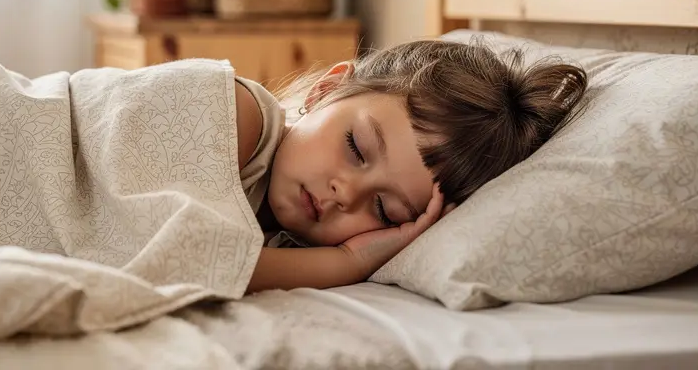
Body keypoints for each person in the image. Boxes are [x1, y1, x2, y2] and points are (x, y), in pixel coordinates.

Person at [237, 37, 587, 293]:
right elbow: (206, 258)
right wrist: (345, 263)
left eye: (384, 210)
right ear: (326, 90)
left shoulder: (289, 244)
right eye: (356, 148)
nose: (346, 193)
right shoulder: (241, 116)